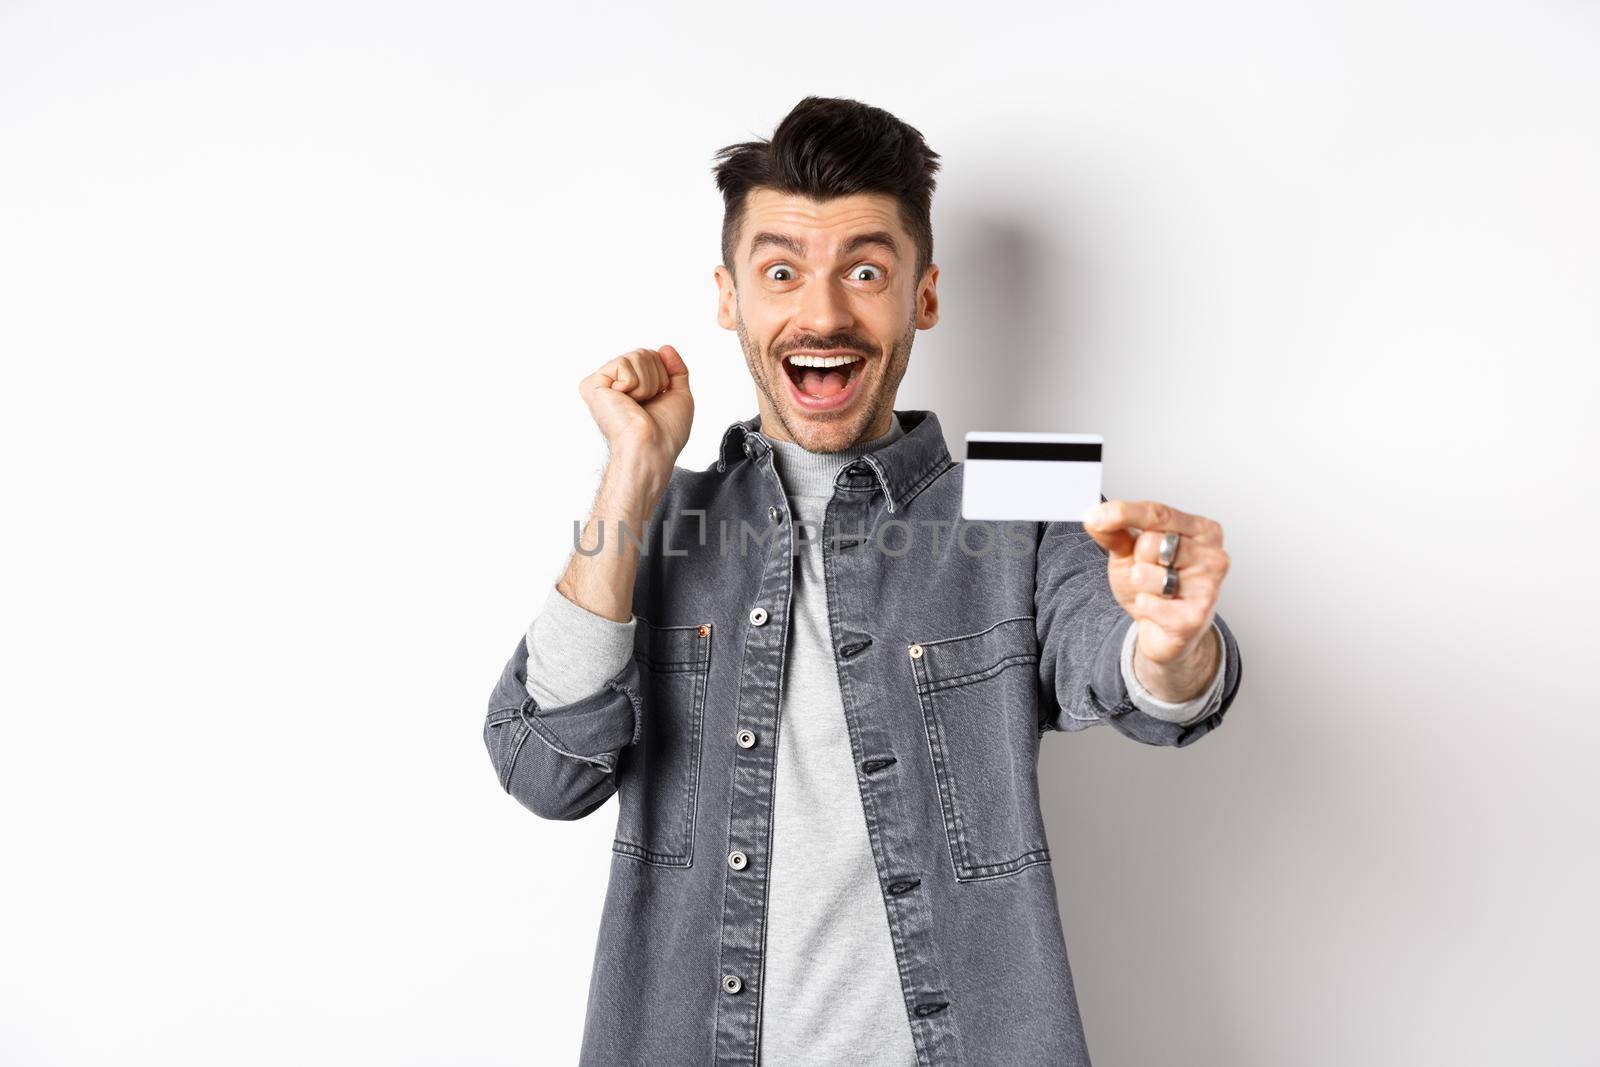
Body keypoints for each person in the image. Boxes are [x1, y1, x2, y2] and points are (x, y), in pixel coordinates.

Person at [481, 95, 1243, 1066]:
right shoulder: (654, 516)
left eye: (867, 271)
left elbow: (1143, 675)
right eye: (782, 271)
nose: (824, 311)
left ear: (923, 295)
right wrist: (634, 466)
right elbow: (545, 770)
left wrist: (1173, 645)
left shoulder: (1016, 503)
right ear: (728, 299)